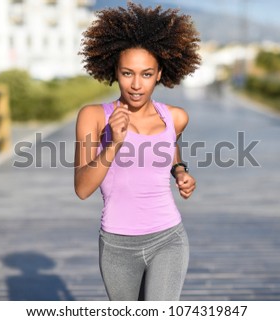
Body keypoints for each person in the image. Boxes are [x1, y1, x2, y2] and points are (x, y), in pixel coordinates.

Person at [74, 2, 201, 301]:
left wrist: (180, 170)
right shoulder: (93, 116)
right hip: (117, 245)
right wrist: (114, 143)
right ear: (114, 72)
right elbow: (82, 188)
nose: (135, 85)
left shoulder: (176, 116)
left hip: (168, 237)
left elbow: (169, 146)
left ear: (159, 74)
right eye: (127, 73)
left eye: (146, 74)